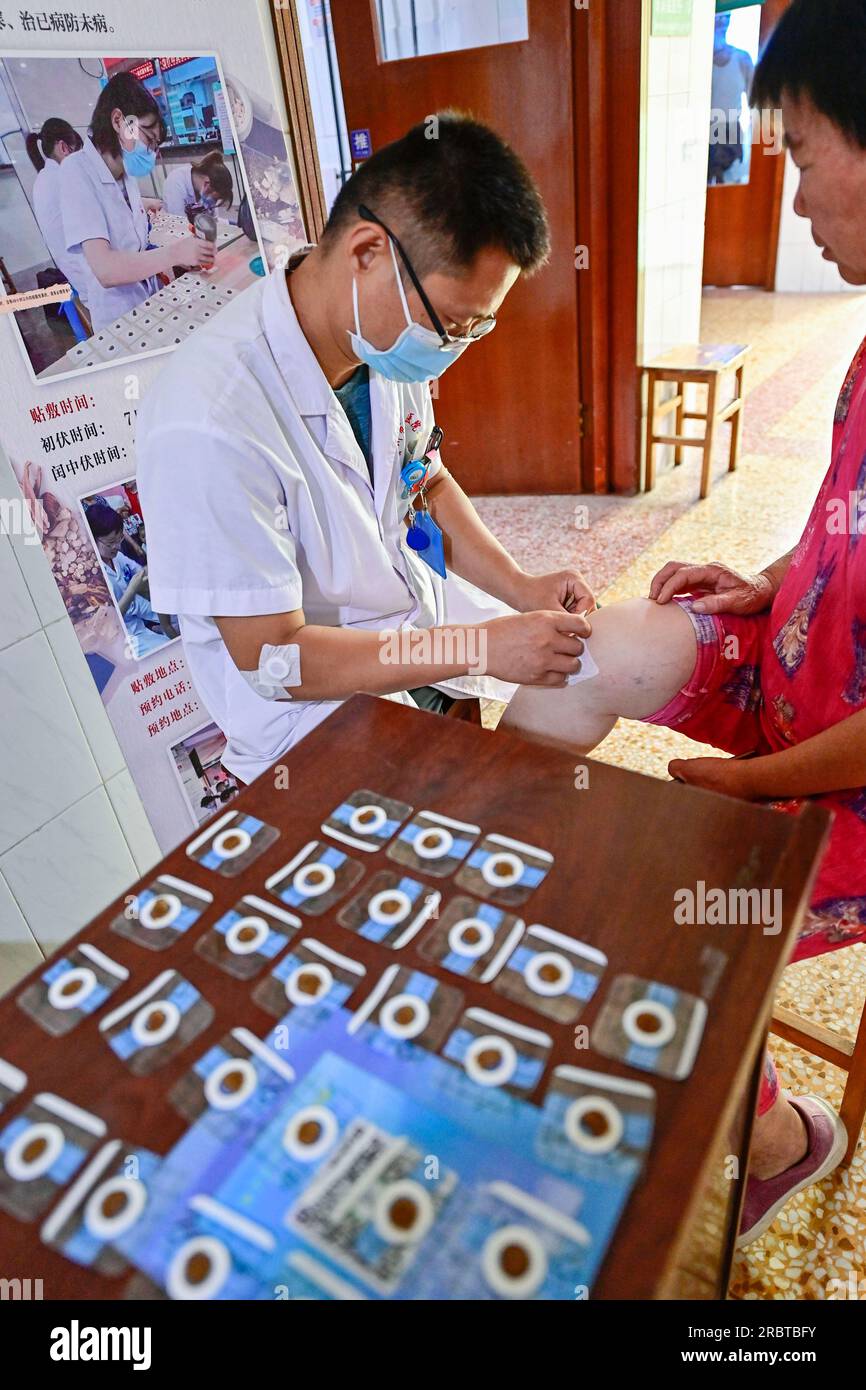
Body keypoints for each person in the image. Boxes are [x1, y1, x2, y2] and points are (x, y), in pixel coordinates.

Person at [503, 0, 866, 1248]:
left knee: (655, 908)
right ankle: (503, 883)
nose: (796, 189)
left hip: (846, 791)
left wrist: (751, 786)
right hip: (791, 680)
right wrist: (777, 577)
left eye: (806, 149)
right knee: (587, 648)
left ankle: (774, 1139)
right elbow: (846, 517)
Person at [137, 112, 596, 786]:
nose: (452, 348)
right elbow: (275, 658)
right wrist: (479, 645)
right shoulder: (208, 420)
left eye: (477, 327)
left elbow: (424, 478)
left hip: (422, 652)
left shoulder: (375, 347)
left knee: (593, 669)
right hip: (317, 728)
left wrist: (519, 587)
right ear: (366, 253)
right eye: (451, 323)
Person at [59, 72, 214, 331]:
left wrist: (144, 207)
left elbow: (120, 216)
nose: (151, 153)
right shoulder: (75, 170)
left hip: (148, 301)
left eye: (155, 145)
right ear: (119, 120)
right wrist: (174, 253)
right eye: (148, 140)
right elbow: (106, 270)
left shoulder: (124, 171)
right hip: (117, 317)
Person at [86, 501, 178, 657]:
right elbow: (108, 622)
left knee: (180, 616)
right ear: (93, 539)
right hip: (124, 634)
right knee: (166, 649)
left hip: (138, 611)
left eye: (119, 539)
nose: (116, 546)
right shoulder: (91, 574)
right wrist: (132, 589)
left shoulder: (117, 557)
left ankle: (159, 628)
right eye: (110, 543)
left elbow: (141, 573)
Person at [25, 118, 89, 303]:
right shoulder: (63, 178)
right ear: (63, 148)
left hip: (73, 272)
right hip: (87, 277)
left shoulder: (43, 178)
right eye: (78, 152)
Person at [708, 12, 755, 185]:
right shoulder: (698, 58)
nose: (721, 22)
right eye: (717, 17)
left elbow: (757, 106)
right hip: (702, 133)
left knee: (728, 188)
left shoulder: (741, 59)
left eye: (725, 17)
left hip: (730, 134)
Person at [161, 150, 234, 218]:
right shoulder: (176, 183)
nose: (213, 202)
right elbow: (180, 222)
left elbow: (213, 219)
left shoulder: (208, 187)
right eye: (215, 199)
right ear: (207, 184)